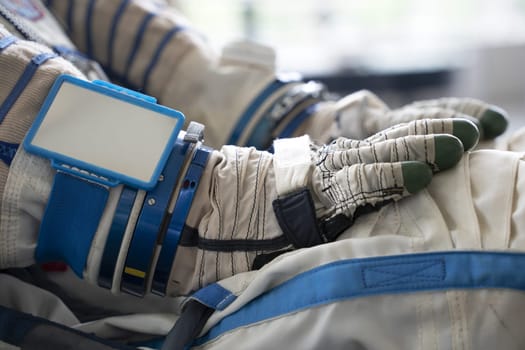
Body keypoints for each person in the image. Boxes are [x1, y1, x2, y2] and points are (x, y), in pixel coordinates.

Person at [0, 0, 523, 349]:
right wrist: (208, 200)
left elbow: (130, 37)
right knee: (488, 220)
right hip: (129, 292)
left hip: (197, 189)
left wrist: (303, 123)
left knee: (496, 163)